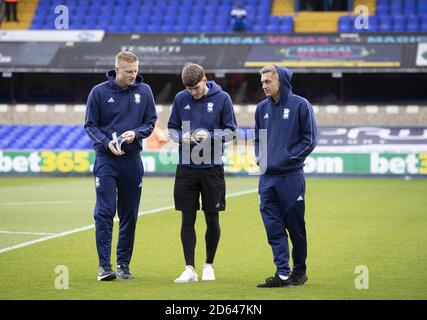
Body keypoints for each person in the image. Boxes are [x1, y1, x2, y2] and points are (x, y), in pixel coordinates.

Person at [84, 51, 157, 281]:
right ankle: (104, 266)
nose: (133, 76)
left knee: (130, 214)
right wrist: (106, 143)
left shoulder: (144, 91)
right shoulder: (98, 92)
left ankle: (123, 264)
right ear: (117, 70)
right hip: (106, 160)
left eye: (135, 71)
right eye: (129, 72)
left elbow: (151, 122)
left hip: (132, 160)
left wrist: (136, 133)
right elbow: (90, 126)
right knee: (104, 212)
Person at [168, 63, 237, 283]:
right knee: (187, 218)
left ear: (205, 80)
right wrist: (181, 137)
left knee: (212, 218)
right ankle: (189, 268)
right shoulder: (180, 99)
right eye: (189, 89)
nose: (193, 93)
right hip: (186, 167)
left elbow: (231, 131)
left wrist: (211, 137)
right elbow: (172, 127)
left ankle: (209, 264)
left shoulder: (223, 98)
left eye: (196, 88)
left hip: (212, 168)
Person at [254, 65, 317, 288]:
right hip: (266, 179)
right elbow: (258, 139)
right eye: (262, 82)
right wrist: (260, 158)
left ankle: (299, 272)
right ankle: (282, 274)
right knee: (273, 227)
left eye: (268, 82)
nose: (264, 86)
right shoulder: (261, 108)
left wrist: (287, 158)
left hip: (291, 178)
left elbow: (310, 140)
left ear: (282, 81)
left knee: (295, 227)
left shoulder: (301, 105)